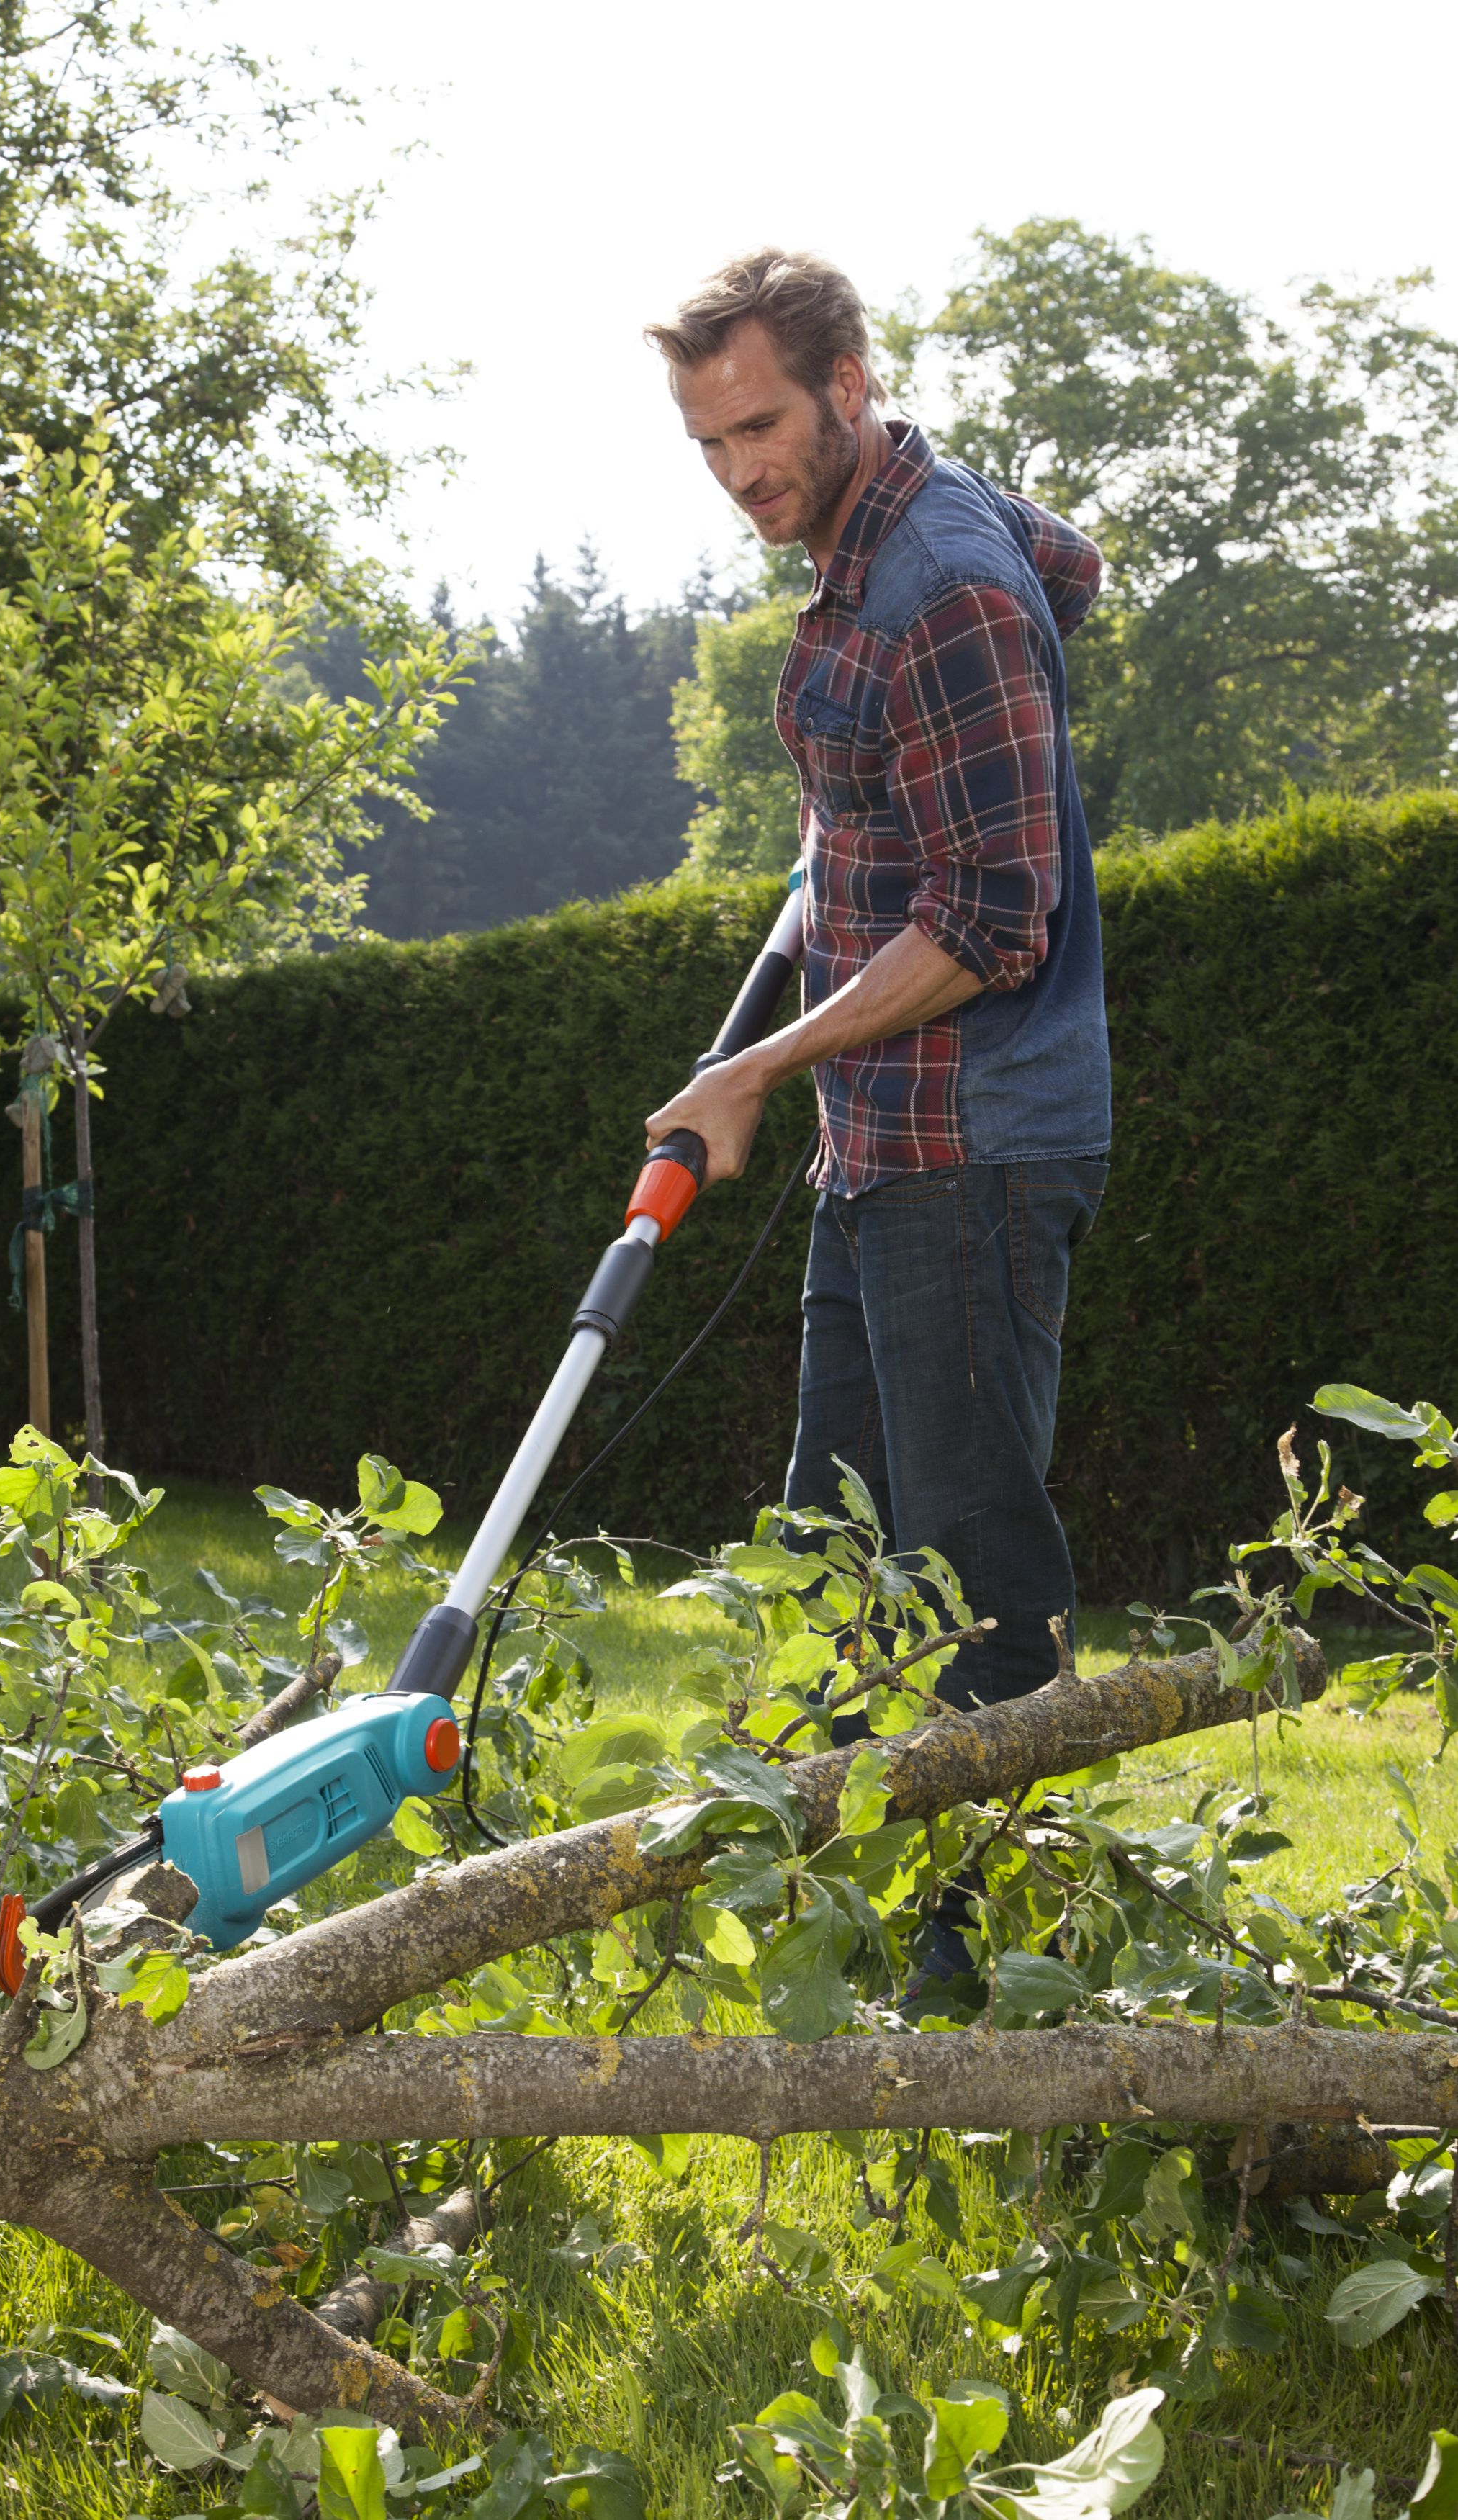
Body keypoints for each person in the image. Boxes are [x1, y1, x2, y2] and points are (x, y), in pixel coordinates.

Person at [642, 251, 1112, 1979]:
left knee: (977, 1568)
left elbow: (997, 918)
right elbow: (1085, 565)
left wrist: (756, 1067)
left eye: (761, 423)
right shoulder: (894, 540)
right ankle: (824, 1917)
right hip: (884, 1143)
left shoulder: (941, 584)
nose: (740, 469)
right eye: (707, 442)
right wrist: (851, 826)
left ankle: (980, 1979)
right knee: (833, 1535)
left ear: (850, 383)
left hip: (973, 1147)